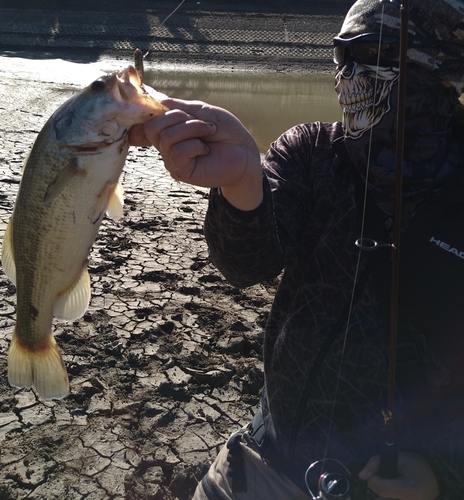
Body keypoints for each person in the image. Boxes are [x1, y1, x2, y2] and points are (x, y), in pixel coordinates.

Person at [129, 0, 464, 498]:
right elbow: (247, 264)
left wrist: (446, 477)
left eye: (373, 54)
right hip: (258, 461)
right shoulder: (310, 152)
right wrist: (243, 182)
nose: (351, 75)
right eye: (341, 56)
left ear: (440, 70)